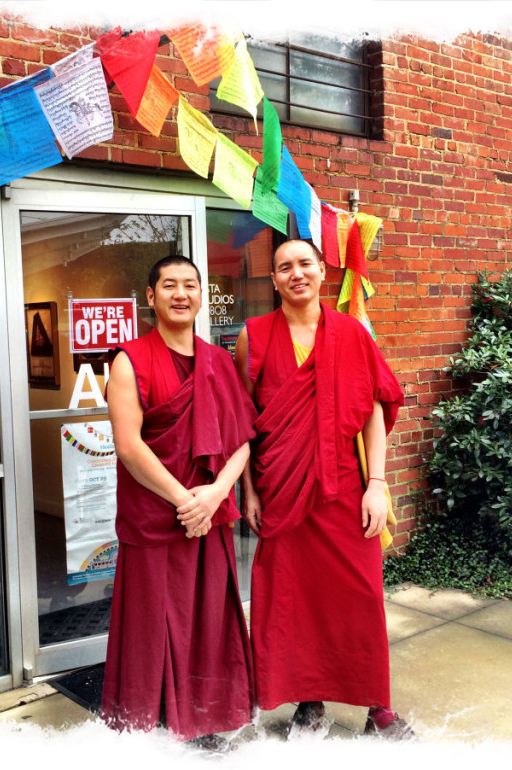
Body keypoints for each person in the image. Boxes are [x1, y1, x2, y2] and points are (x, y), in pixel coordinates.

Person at [234, 239, 411, 739]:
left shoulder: (352, 333)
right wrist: (248, 491)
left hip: (345, 493)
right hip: (283, 493)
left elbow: (374, 410)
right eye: (284, 267)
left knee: (360, 598)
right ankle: (308, 703)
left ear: (322, 271)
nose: (296, 274)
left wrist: (377, 484)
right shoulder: (255, 336)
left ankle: (380, 710)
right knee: (293, 602)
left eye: (304, 264)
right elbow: (242, 424)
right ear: (273, 280)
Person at [100, 255, 257, 750]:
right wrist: (182, 501)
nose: (181, 294)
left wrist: (213, 496)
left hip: (208, 515)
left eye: (190, 284)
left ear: (200, 294)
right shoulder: (130, 359)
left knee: (209, 620)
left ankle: (208, 714)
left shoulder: (217, 360)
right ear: (151, 297)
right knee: (153, 623)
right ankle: (152, 721)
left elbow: (243, 440)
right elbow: (128, 445)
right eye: (169, 285)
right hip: (156, 516)